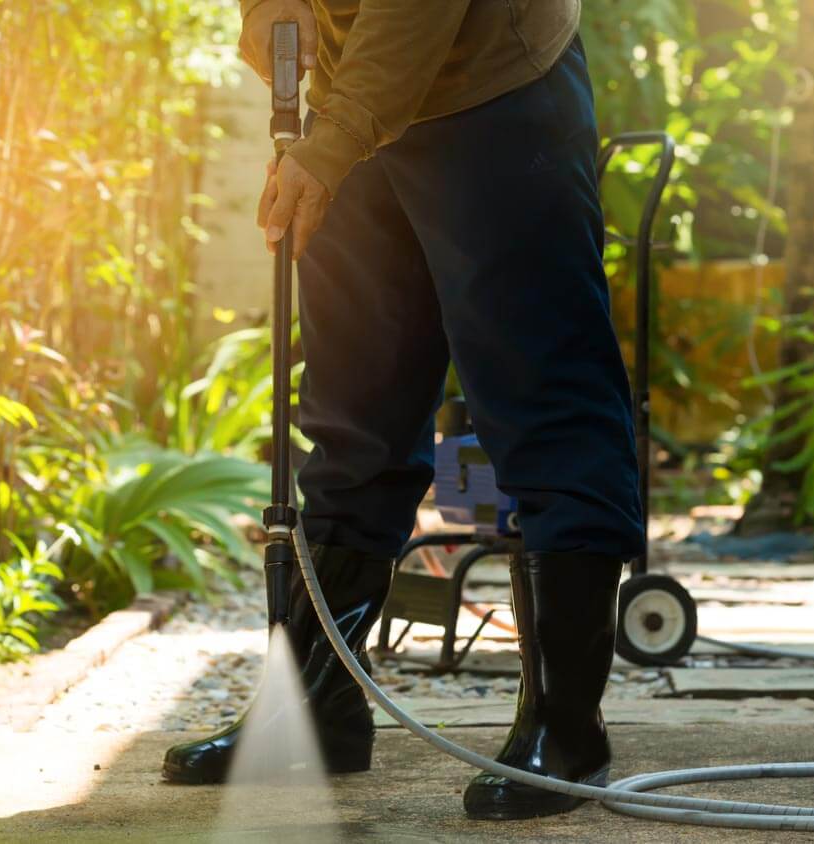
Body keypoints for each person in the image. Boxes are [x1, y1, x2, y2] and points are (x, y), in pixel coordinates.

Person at [161, 0, 646, 821]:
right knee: (353, 408)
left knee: (545, 398)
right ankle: (313, 710)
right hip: (358, 99)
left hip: (493, 90)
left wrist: (335, 135)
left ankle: (565, 731)